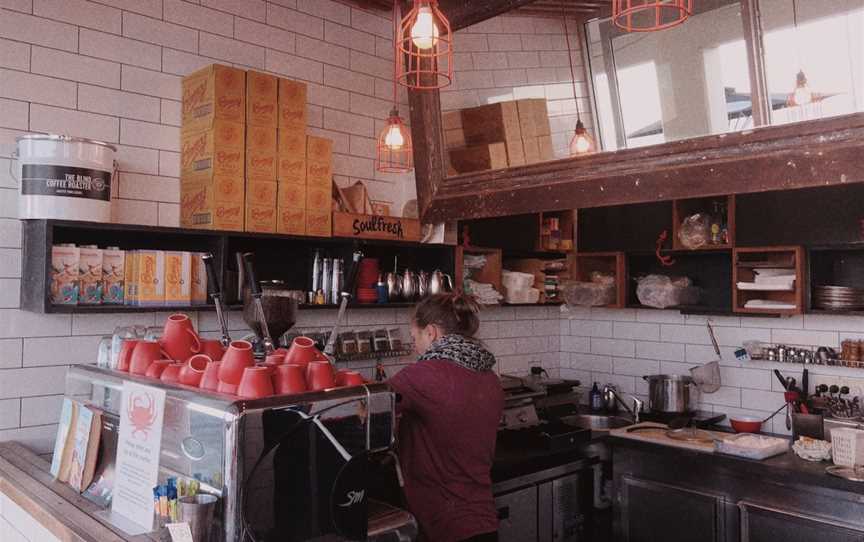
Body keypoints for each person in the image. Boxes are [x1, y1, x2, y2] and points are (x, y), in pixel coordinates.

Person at [388, 293, 504, 542]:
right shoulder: (489, 376)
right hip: (483, 520)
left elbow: (366, 409)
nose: (415, 347)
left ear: (431, 333)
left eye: (415, 338)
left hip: (445, 525)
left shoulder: (423, 375)